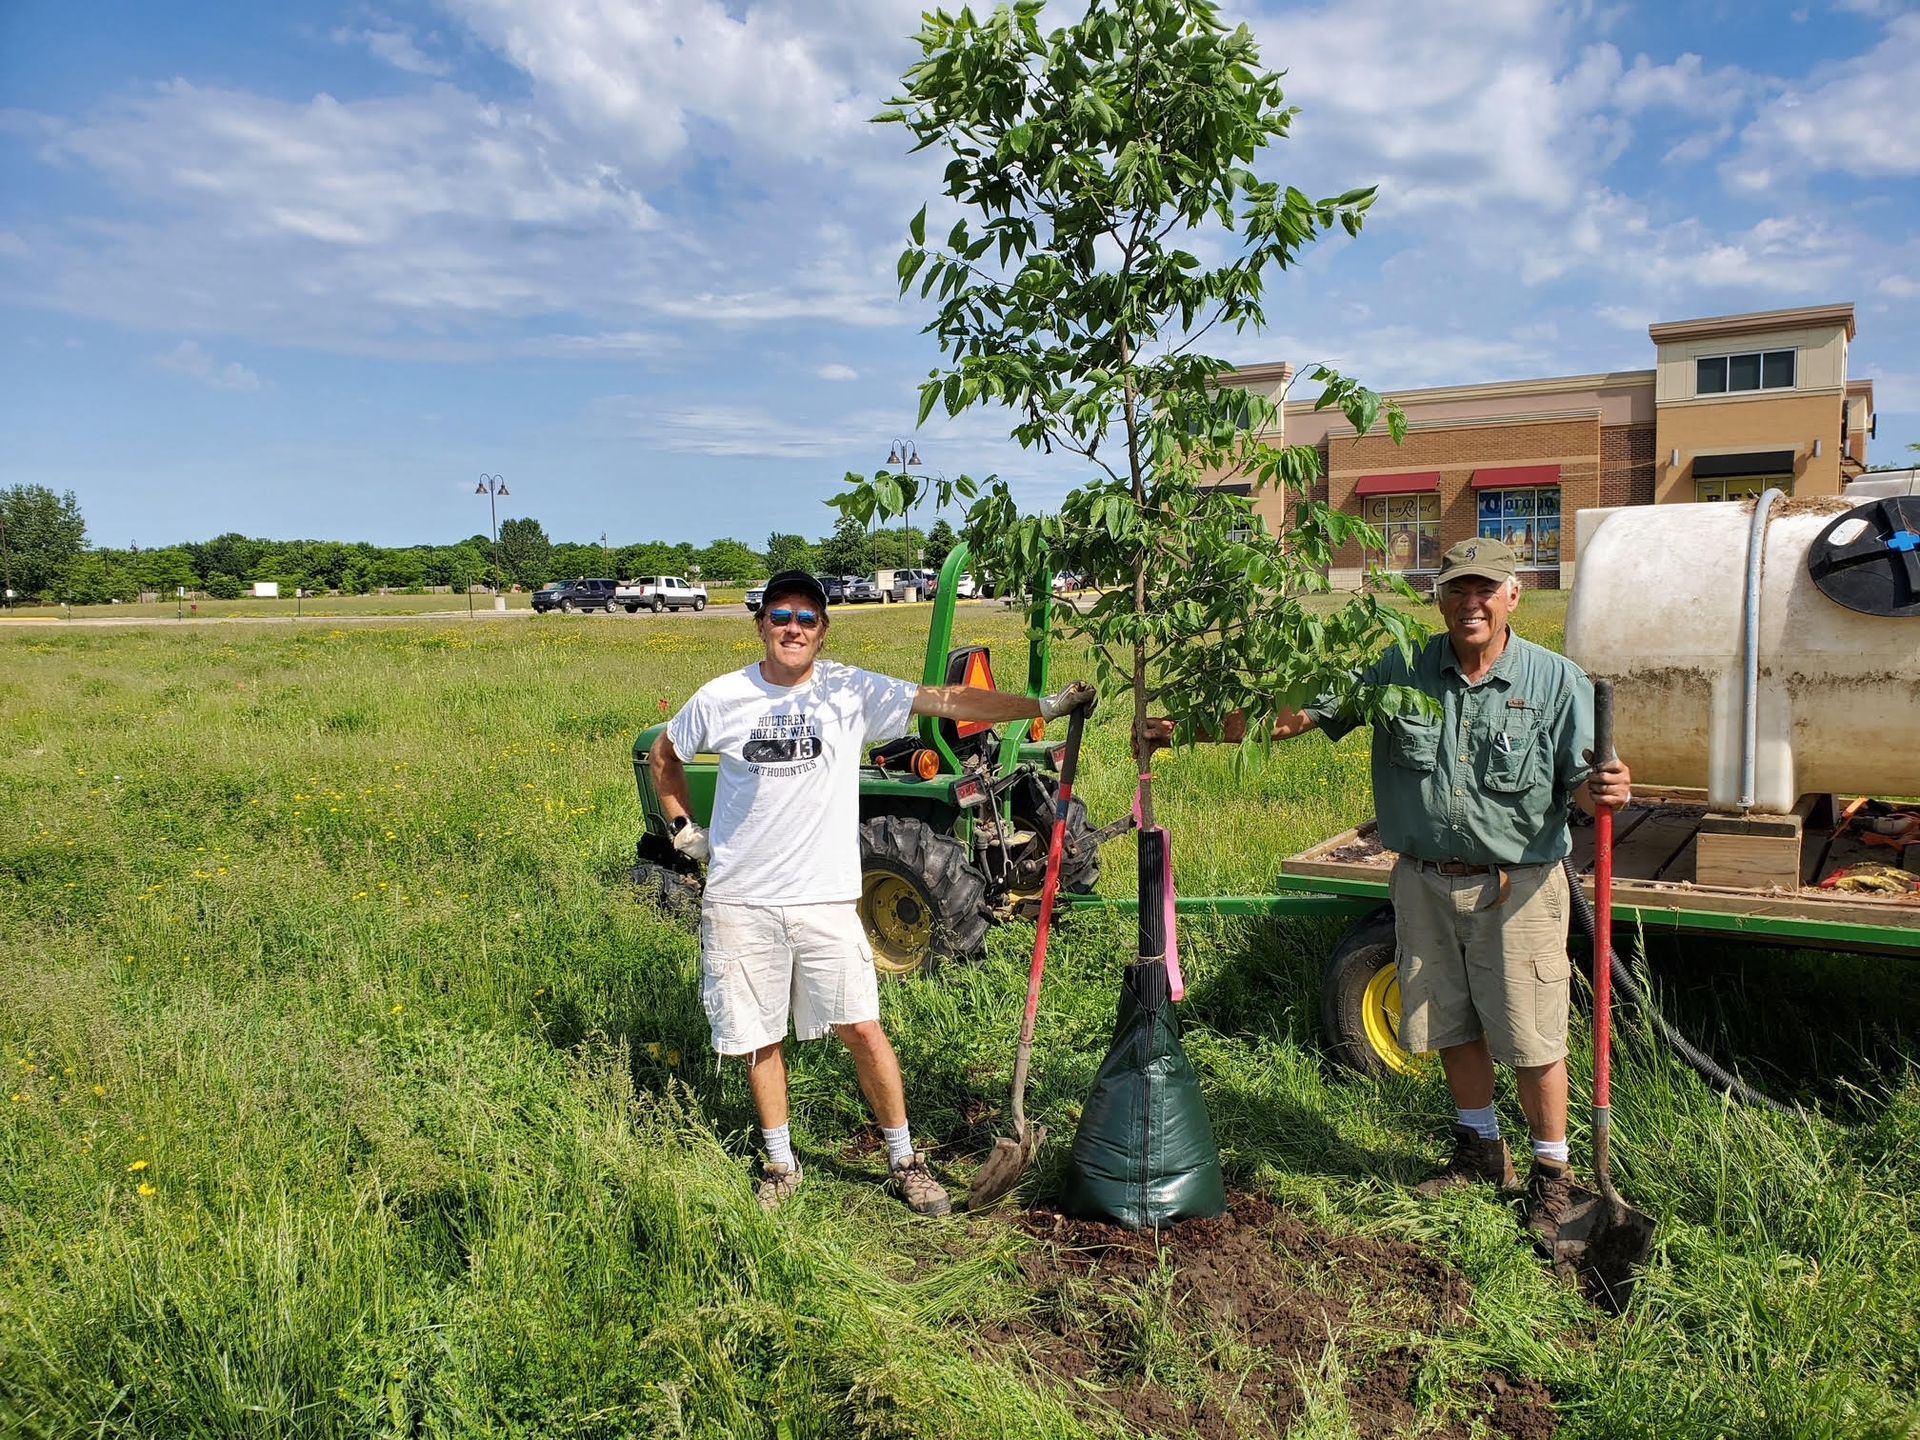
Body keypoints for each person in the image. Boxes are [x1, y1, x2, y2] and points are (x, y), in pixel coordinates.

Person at [1138, 538, 1630, 1244]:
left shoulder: (1555, 682)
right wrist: (1180, 729)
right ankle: (1480, 1153)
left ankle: (1555, 1178)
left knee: (1531, 1037)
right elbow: (1295, 718)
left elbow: (1590, 779)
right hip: (1424, 883)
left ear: (1513, 595)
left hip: (1517, 888)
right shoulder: (1398, 669)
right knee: (1450, 1024)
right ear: (1439, 598)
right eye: (1458, 589)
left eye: (1486, 588)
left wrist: (1607, 787)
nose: (1471, 602)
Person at [650, 569, 1095, 1216]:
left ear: (823, 631)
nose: (792, 628)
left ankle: (905, 1160)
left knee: (862, 1028)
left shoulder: (850, 690)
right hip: (741, 900)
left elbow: (948, 702)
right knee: (760, 1037)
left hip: (827, 898)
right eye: (781, 615)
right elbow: (665, 755)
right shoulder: (721, 697)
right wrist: (687, 833)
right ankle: (781, 1165)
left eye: (807, 618)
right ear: (761, 625)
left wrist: (1041, 708)